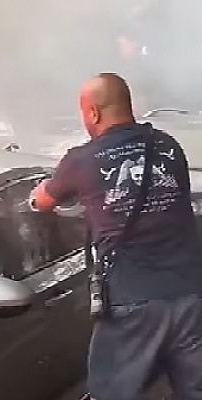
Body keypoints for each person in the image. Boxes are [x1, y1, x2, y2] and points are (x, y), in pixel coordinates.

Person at [31, 73, 202, 400]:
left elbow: (43, 200)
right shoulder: (168, 146)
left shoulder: (82, 159)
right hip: (190, 294)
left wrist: (34, 199)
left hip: (131, 302)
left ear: (93, 113)